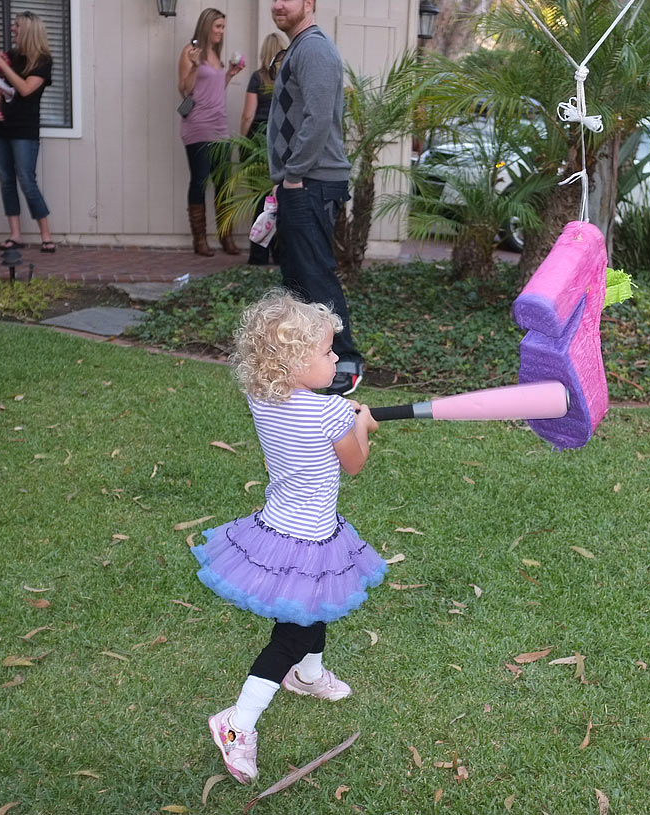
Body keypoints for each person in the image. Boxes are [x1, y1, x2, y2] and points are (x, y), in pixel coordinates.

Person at [191, 290, 386, 785]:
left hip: (276, 531)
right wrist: (361, 424)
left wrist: (349, 417)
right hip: (308, 537)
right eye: (326, 352)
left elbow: (313, 424)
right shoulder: (331, 415)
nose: (337, 357)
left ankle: (307, 674)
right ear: (296, 362)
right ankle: (237, 723)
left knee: (313, 605)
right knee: (292, 632)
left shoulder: (262, 397)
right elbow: (355, 463)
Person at [268, 0, 364, 396]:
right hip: (300, 183)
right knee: (299, 279)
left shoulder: (315, 48)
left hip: (310, 182)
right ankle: (311, 365)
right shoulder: (299, 47)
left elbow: (319, 118)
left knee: (314, 276)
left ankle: (347, 363)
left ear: (309, 4)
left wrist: (293, 175)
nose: (278, 4)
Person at [0, 11, 56, 253]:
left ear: (29, 30)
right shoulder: (11, 55)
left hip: (24, 129)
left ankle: (46, 234)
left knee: (26, 179)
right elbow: (1, 87)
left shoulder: (42, 60)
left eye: (16, 25)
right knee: (6, 180)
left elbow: (24, 89)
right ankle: (15, 235)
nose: (12, 29)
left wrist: (2, 64)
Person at [179, 8, 244, 257]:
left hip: (220, 128)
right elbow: (184, 89)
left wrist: (229, 75)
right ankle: (200, 240)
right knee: (200, 181)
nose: (221, 31)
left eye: (223, 27)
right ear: (206, 26)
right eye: (217, 26)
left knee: (223, 183)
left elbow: (213, 90)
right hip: (198, 126)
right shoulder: (190, 52)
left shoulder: (217, 55)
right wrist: (195, 66)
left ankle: (225, 236)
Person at [240, 33, 287, 265]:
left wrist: (243, 142)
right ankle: (279, 254)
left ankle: (258, 255)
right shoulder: (287, 78)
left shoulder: (257, 78)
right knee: (279, 197)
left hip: (258, 141)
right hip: (280, 141)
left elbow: (249, 114)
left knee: (260, 199)